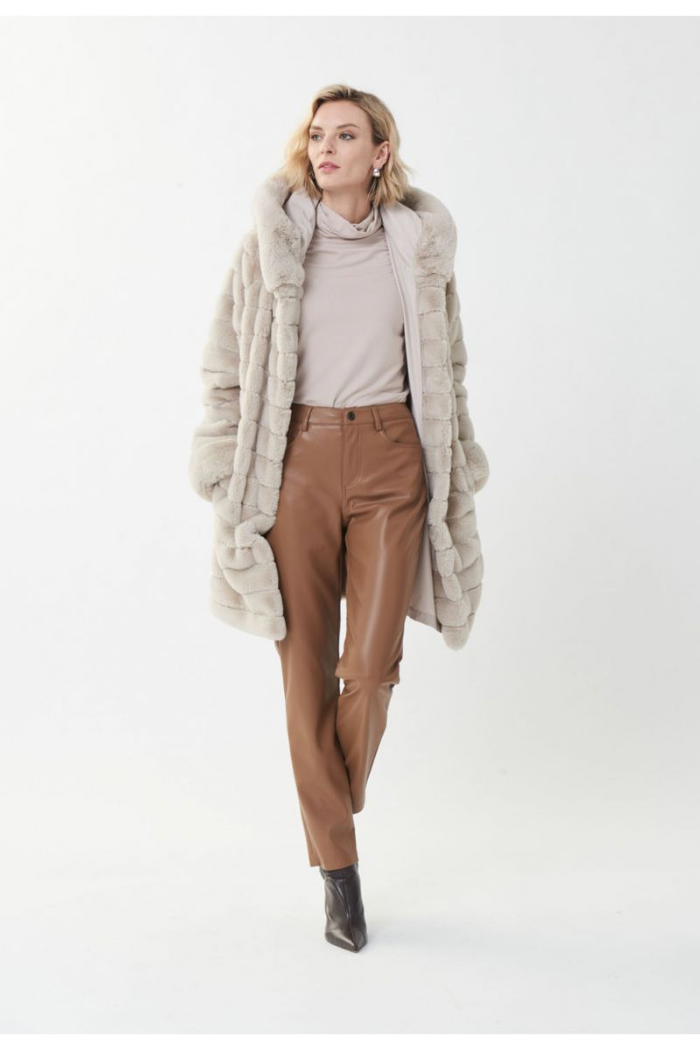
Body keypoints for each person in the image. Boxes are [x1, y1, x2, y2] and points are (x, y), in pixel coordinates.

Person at [188, 84, 490, 952]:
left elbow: (448, 367)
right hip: (298, 462)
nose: (325, 148)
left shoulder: (416, 250)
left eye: (346, 136)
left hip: (394, 458)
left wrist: (455, 454)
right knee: (304, 670)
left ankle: (329, 801)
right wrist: (225, 466)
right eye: (317, 134)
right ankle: (340, 873)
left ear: (379, 154)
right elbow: (224, 371)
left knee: (373, 668)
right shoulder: (271, 247)